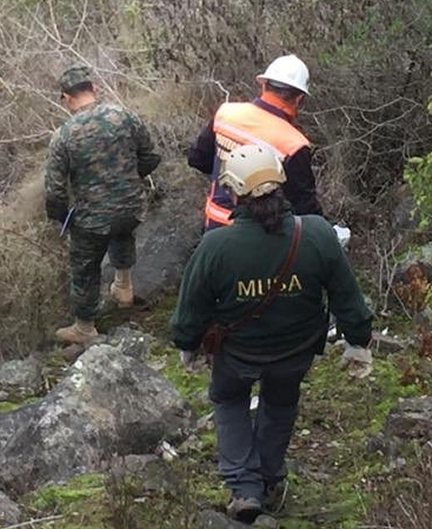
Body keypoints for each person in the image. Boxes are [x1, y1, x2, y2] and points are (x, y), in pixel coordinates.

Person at [171, 143, 374, 524]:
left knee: (229, 400)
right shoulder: (317, 233)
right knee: (281, 402)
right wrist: (357, 341)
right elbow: (347, 295)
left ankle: (244, 488)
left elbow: (190, 310)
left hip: (238, 354)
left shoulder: (216, 245)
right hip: (297, 349)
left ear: (233, 191)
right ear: (280, 183)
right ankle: (267, 478)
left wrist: (188, 344)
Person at [45, 64, 162, 345]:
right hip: (132, 206)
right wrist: (128, 179)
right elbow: (151, 156)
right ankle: (123, 287)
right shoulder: (124, 116)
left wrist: (62, 218)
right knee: (122, 231)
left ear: (66, 98)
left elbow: (55, 192)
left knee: (84, 265)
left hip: (93, 217)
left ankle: (84, 327)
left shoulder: (64, 135)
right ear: (94, 89)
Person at [187, 55, 323, 231]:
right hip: (261, 237)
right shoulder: (294, 144)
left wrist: (223, 177)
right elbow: (305, 207)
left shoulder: (227, 113)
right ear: (299, 99)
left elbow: (196, 159)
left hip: (214, 225)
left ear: (264, 85)